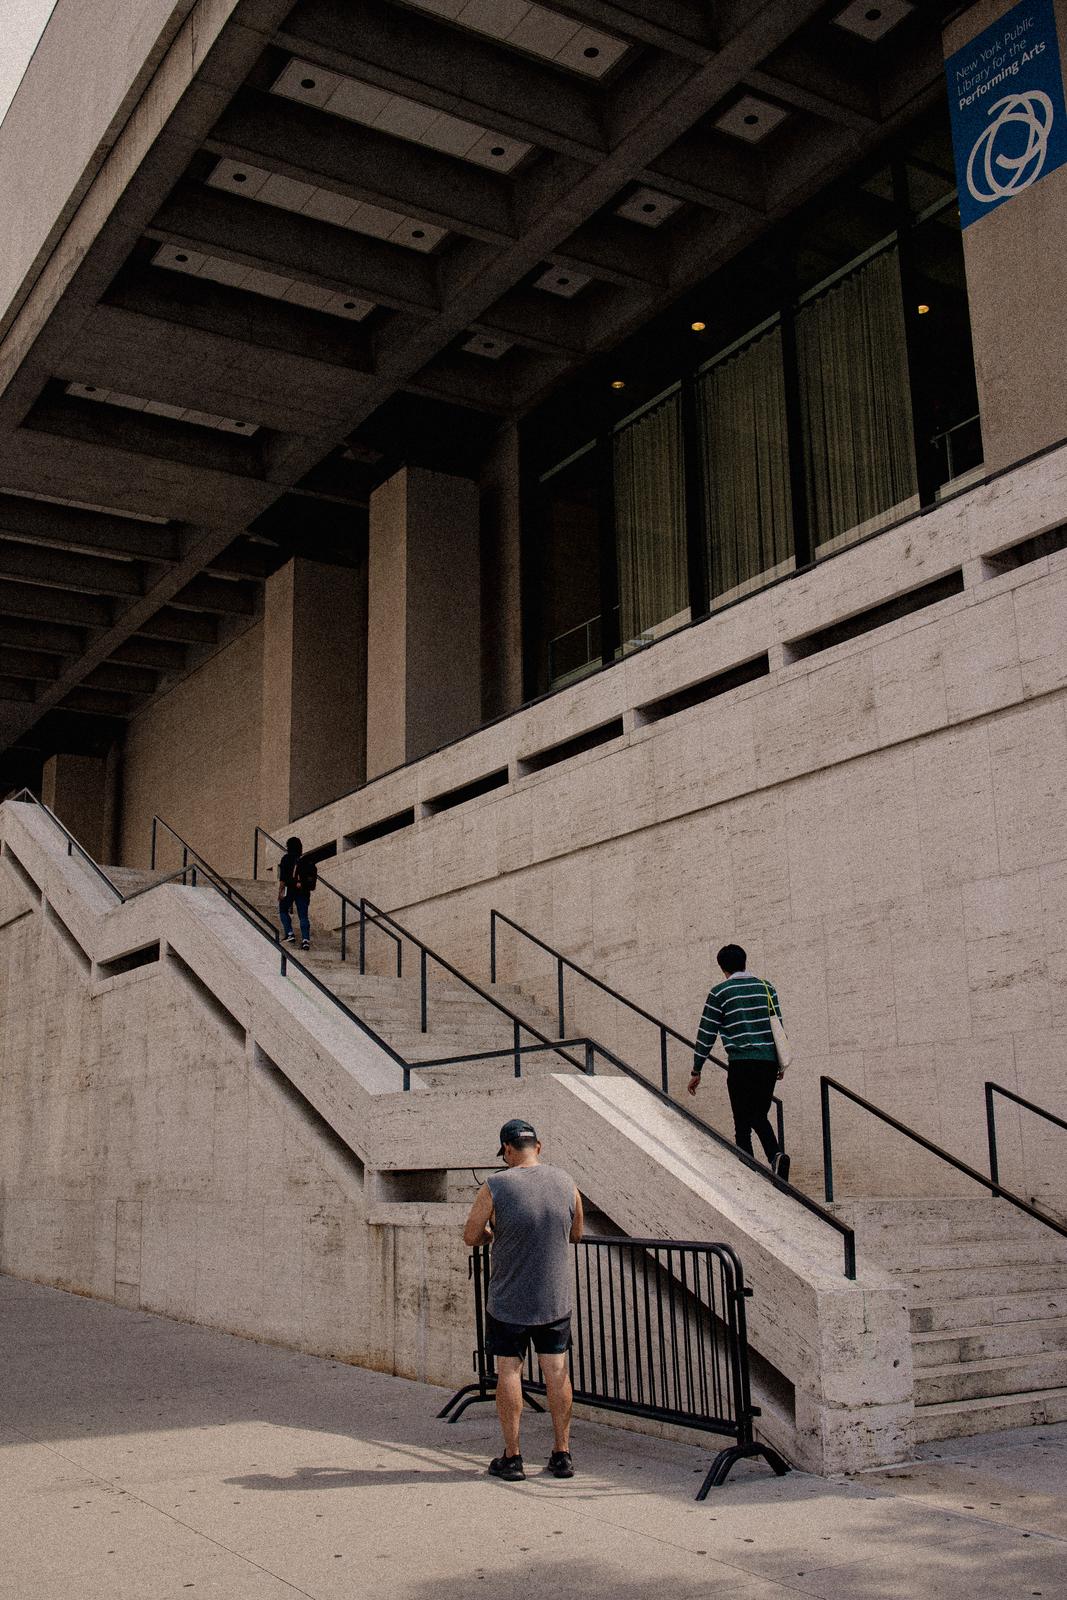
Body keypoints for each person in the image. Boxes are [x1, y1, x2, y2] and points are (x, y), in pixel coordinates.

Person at [462, 1118, 584, 1482]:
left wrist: (492, 1235)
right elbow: (576, 1233)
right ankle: (562, 1453)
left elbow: (470, 1235)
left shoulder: (495, 1185)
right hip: (554, 1298)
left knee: (509, 1371)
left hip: (509, 1300)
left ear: (508, 1150)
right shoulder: (566, 1181)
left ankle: (512, 1457)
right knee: (556, 1372)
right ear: (539, 1147)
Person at [688, 943, 790, 1182]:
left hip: (741, 1064)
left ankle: (750, 1174)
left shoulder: (720, 993)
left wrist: (697, 1069)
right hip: (767, 1063)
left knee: (742, 1123)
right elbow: (778, 1026)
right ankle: (775, 1156)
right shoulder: (767, 988)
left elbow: (706, 1033)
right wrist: (779, 1062)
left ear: (722, 967)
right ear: (745, 961)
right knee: (758, 1115)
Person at [277, 835, 317, 951]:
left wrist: (280, 892)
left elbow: (283, 879)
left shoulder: (286, 859)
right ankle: (305, 940)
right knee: (303, 916)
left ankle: (289, 933)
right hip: (304, 890)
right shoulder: (304, 860)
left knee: (283, 910)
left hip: (290, 889)